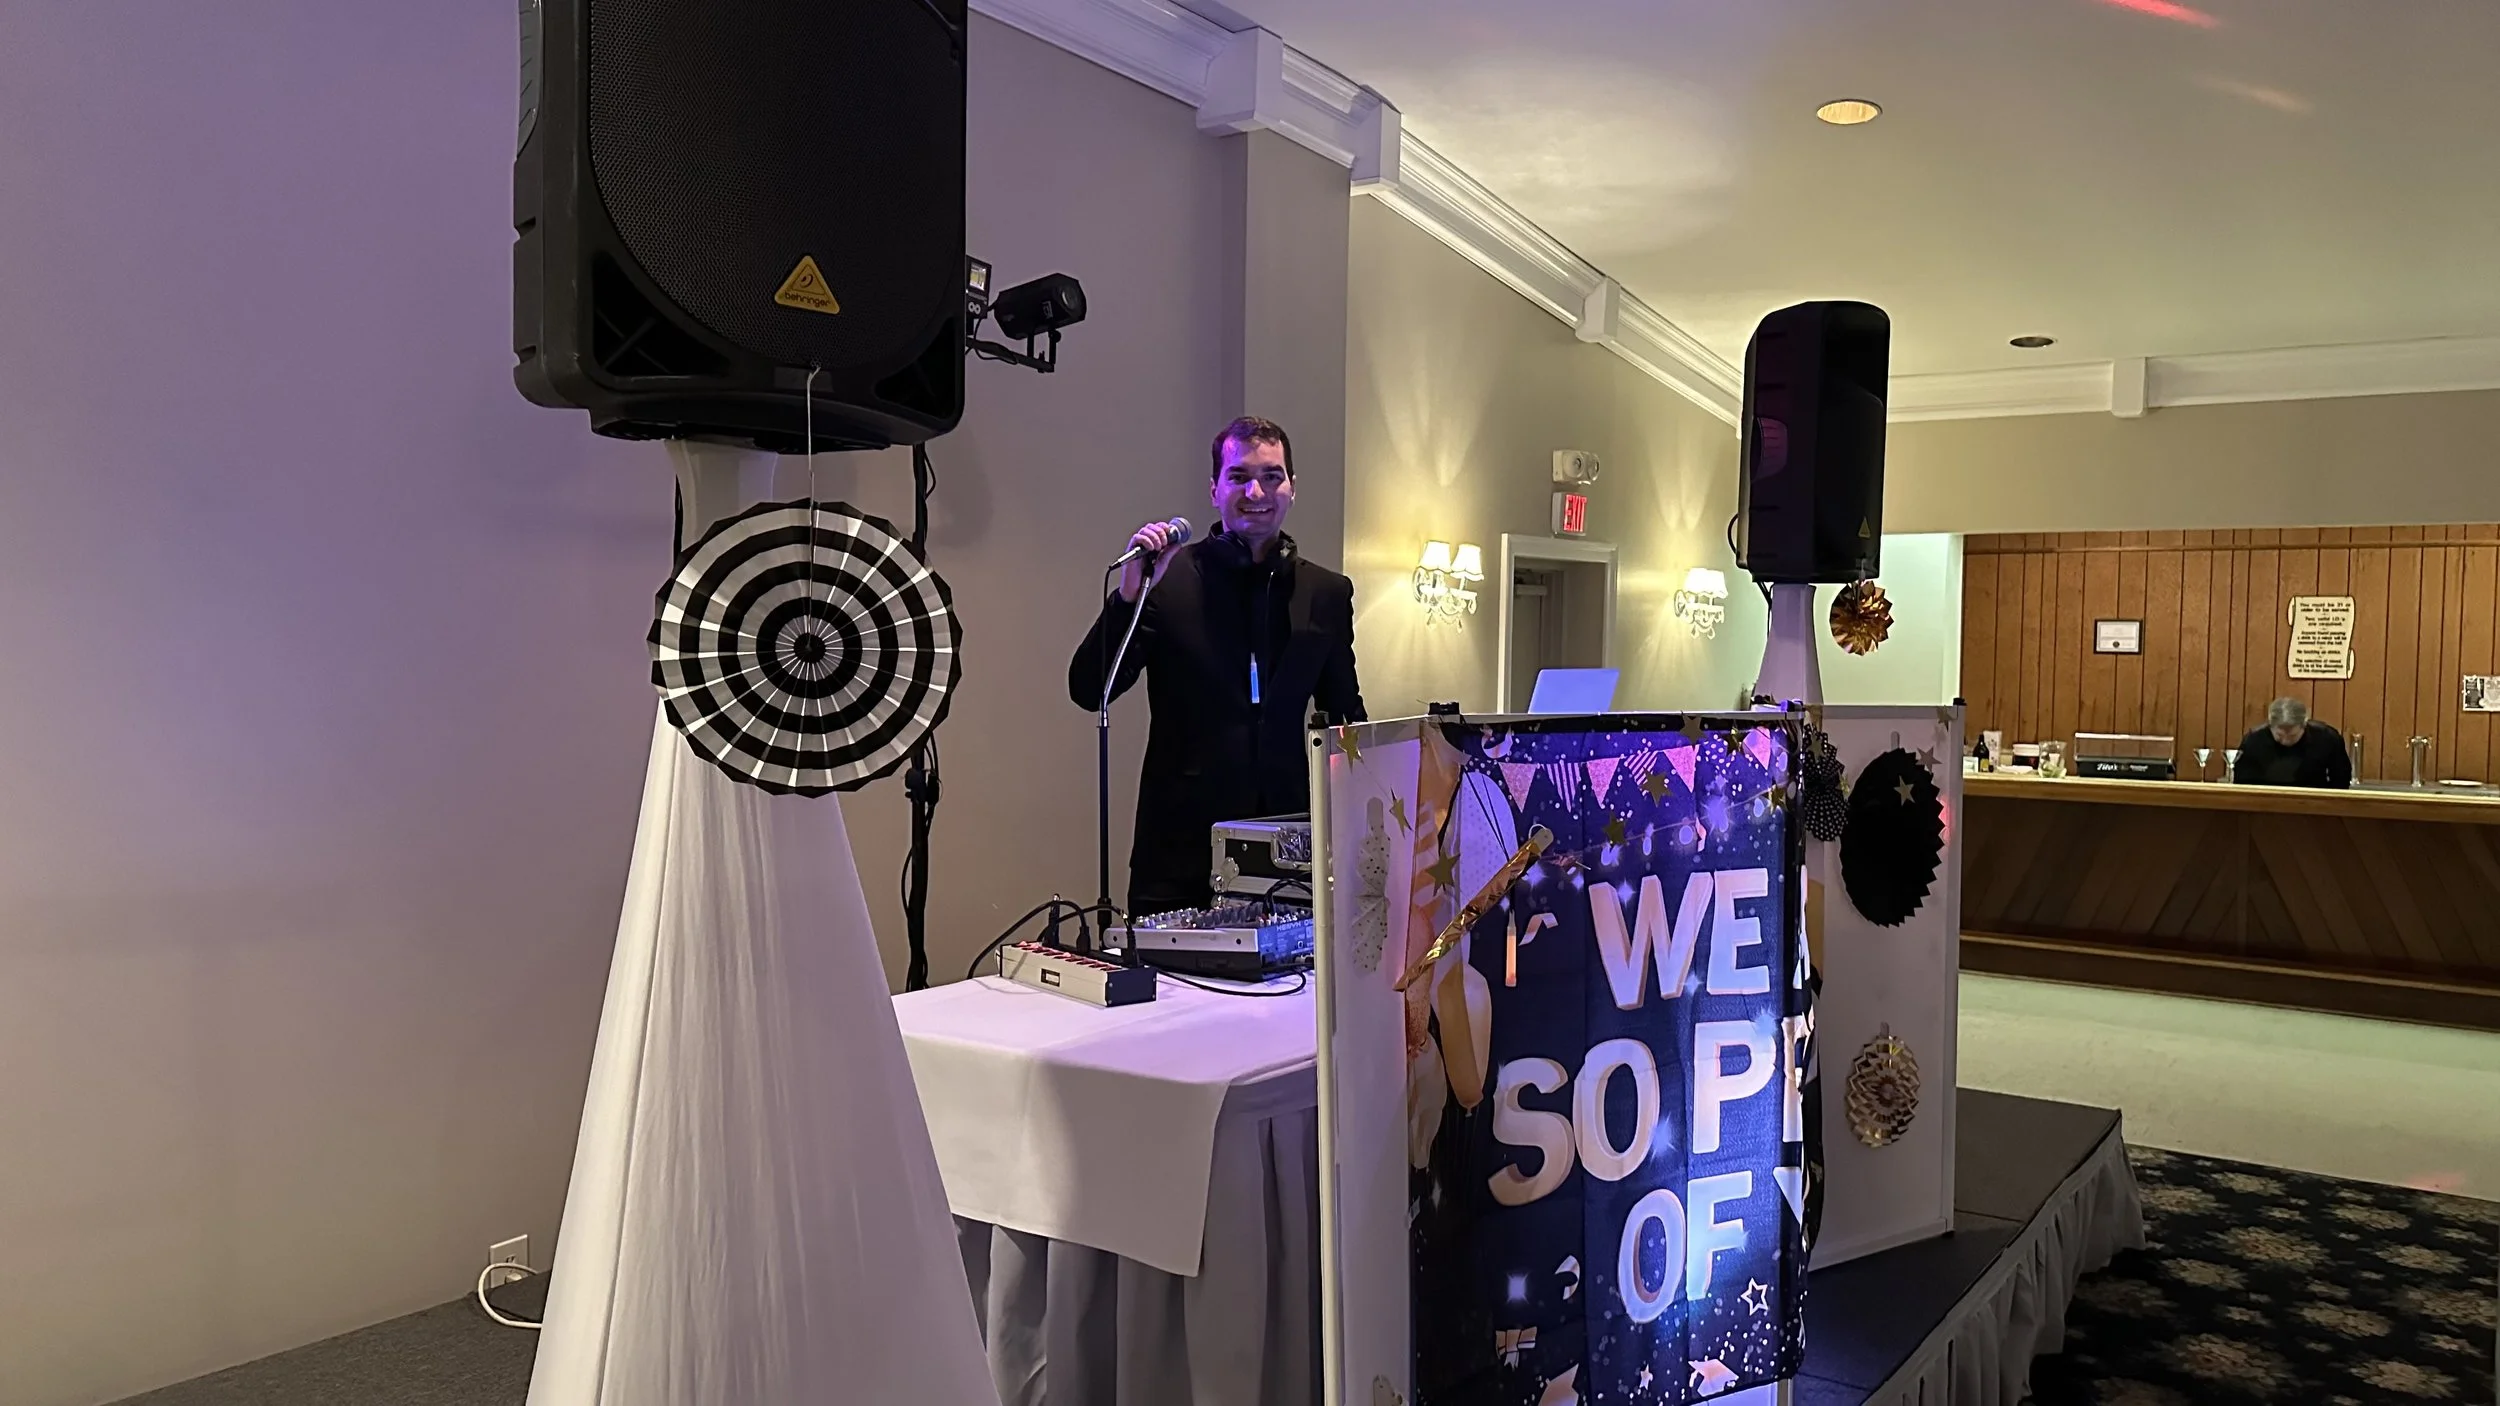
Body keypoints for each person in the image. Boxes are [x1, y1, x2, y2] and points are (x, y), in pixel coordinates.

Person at [1068, 415, 1365, 916]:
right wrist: (1128, 598)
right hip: (1177, 852)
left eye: (1272, 476)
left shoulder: (1326, 593)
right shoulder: (1166, 579)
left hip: (1286, 849)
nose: (1257, 490)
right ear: (1214, 489)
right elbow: (1089, 688)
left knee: (1285, 993)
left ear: (1292, 489)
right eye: (1239, 476)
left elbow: (1346, 717)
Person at [2233, 697, 2352, 788]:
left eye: (2292, 736)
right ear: (2270, 726)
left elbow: (2341, 779)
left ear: (2304, 725)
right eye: (2279, 736)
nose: (2285, 741)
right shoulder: (2253, 741)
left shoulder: (2327, 738)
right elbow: (2242, 781)